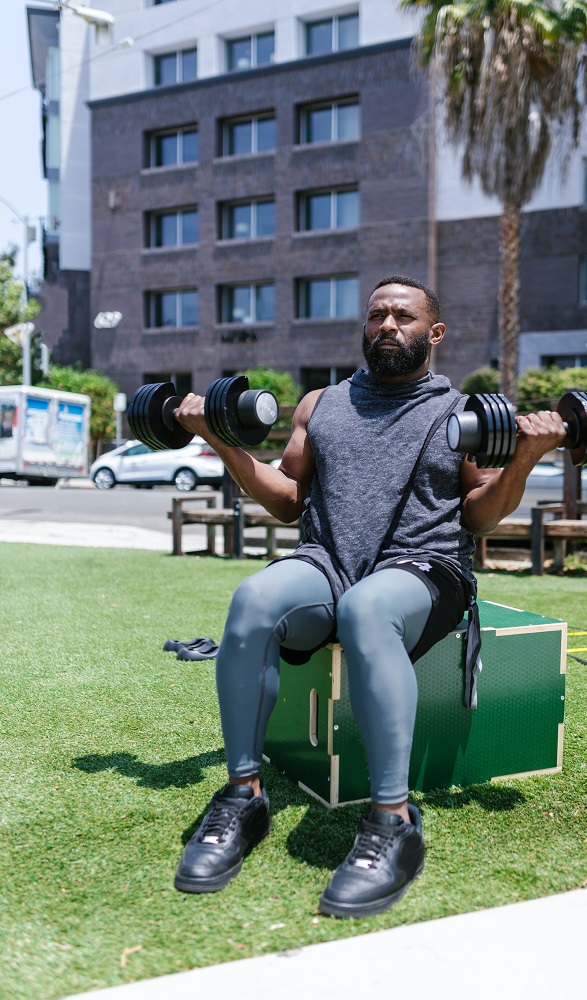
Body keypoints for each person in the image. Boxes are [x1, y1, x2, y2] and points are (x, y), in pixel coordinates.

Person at [170, 275, 566, 918]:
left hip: (427, 567)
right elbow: (287, 500)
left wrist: (523, 460)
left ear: (432, 334)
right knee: (253, 600)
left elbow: (481, 518)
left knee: (368, 609)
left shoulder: (460, 415)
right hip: (328, 560)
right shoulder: (320, 404)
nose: (387, 325)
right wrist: (222, 442)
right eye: (377, 314)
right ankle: (243, 796)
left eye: (403, 316)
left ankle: (393, 821)